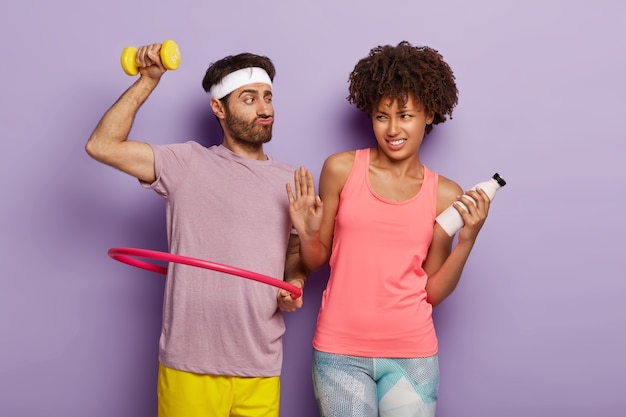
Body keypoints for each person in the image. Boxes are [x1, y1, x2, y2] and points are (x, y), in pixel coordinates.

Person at [86, 42, 308, 417]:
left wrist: (296, 283)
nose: (265, 109)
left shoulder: (293, 179)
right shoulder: (186, 163)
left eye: (267, 97)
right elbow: (102, 145)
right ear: (218, 108)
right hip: (190, 361)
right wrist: (148, 80)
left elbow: (294, 253)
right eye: (249, 98)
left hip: (261, 364)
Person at [287, 41, 492, 416]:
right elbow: (318, 261)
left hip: (411, 353)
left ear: (429, 114)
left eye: (405, 116)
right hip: (338, 351)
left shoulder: (445, 194)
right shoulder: (340, 169)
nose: (393, 129)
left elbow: (431, 291)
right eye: (382, 117)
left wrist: (468, 240)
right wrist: (307, 230)